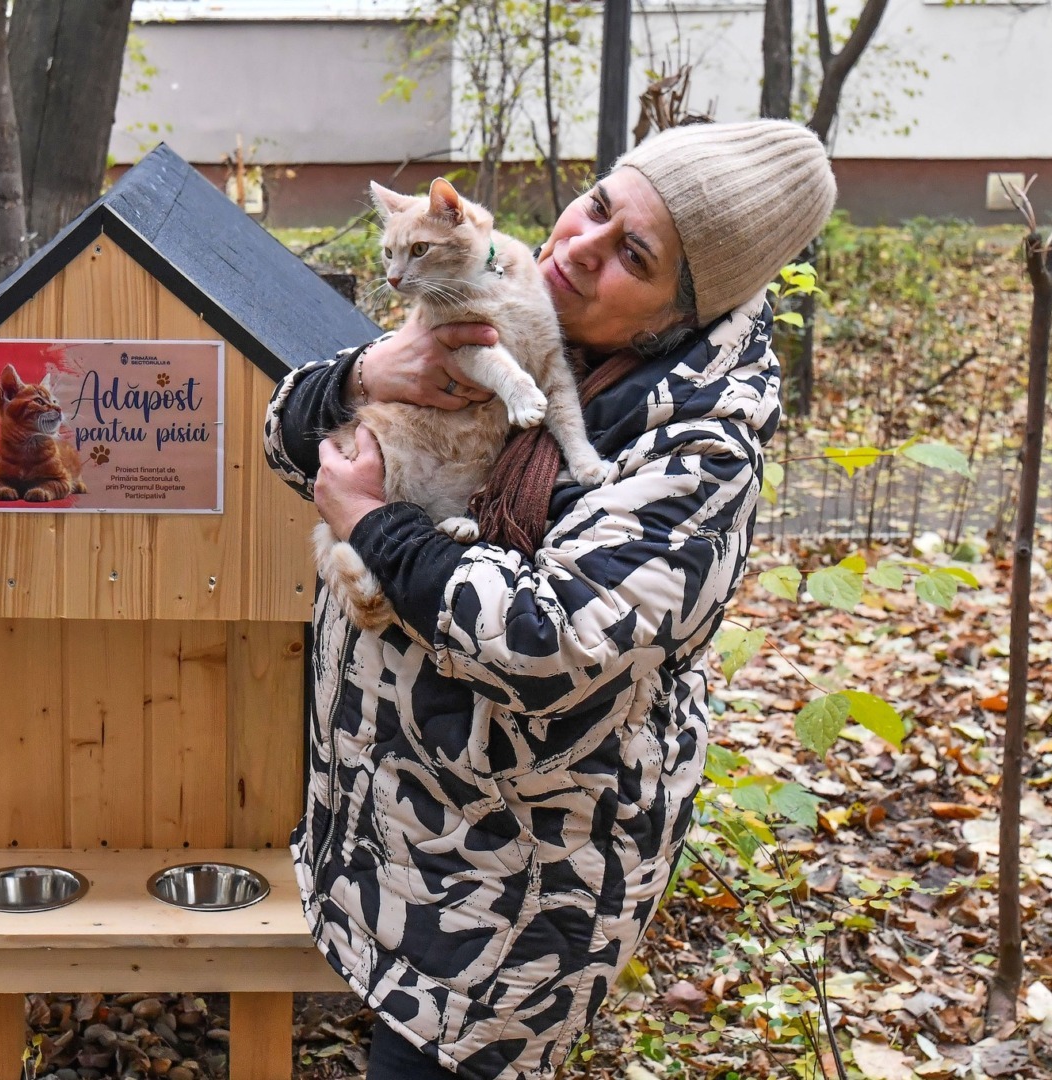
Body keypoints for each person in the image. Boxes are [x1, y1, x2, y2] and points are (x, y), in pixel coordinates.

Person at [262, 120, 837, 1080]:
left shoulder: (695, 446)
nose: (580, 247)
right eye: (599, 205)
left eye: (633, 256)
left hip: (508, 902)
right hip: (396, 840)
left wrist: (372, 524)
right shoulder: (505, 298)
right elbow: (296, 448)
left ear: (683, 311)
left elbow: (550, 640)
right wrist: (363, 376)